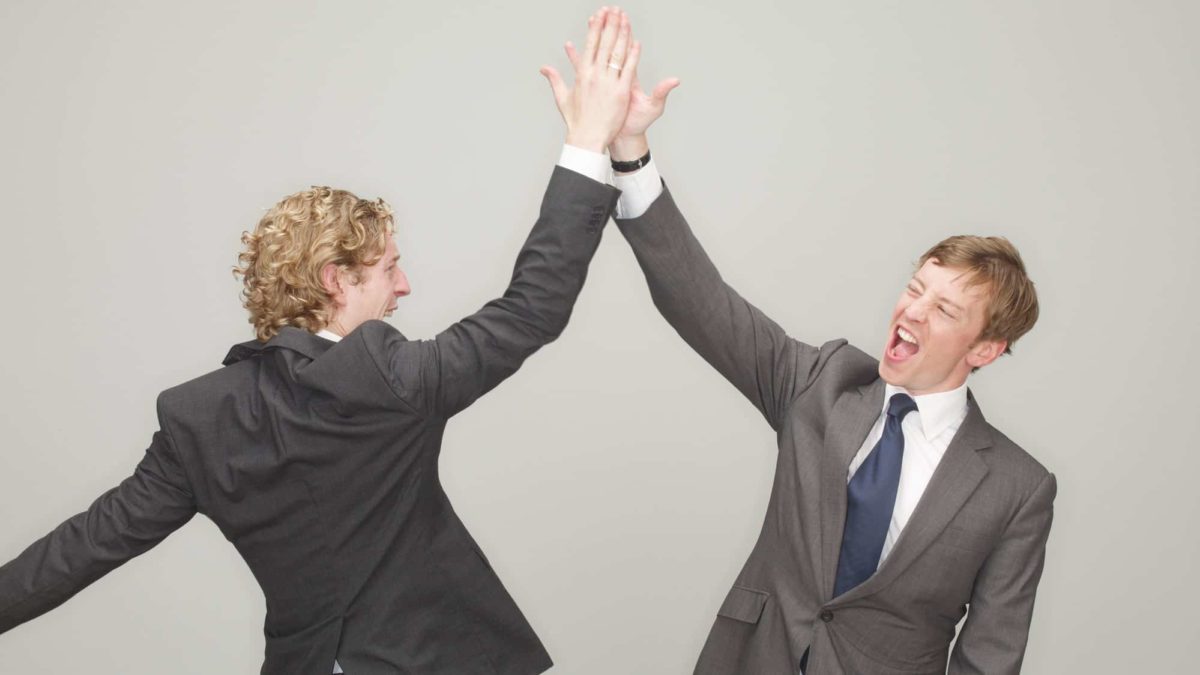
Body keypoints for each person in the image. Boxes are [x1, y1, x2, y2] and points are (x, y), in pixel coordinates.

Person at [0, 7, 638, 674]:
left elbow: (83, 548)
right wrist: (587, 140)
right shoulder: (389, 377)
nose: (404, 287)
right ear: (337, 279)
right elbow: (531, 309)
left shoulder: (198, 418)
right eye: (389, 268)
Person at [582, 40, 1056, 675]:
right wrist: (630, 152)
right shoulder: (822, 381)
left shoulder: (1017, 488)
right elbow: (703, 304)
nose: (913, 311)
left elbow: (990, 656)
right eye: (916, 288)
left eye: (944, 309)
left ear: (986, 349)